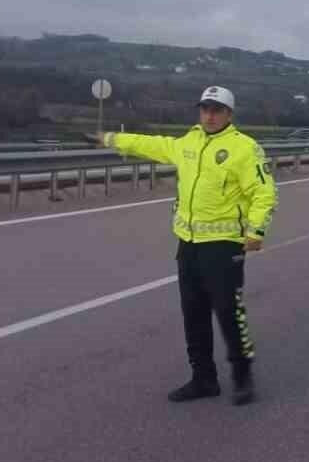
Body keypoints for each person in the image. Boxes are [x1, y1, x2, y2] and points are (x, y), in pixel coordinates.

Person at [95, 85, 277, 405]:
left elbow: (264, 193)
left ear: (229, 114)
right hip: (188, 243)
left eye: (216, 110)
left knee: (228, 312)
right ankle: (203, 378)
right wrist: (111, 139)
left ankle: (242, 374)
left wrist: (256, 231)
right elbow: (151, 144)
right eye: (205, 108)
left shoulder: (245, 148)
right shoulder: (188, 142)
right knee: (192, 313)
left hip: (223, 245)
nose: (209, 115)